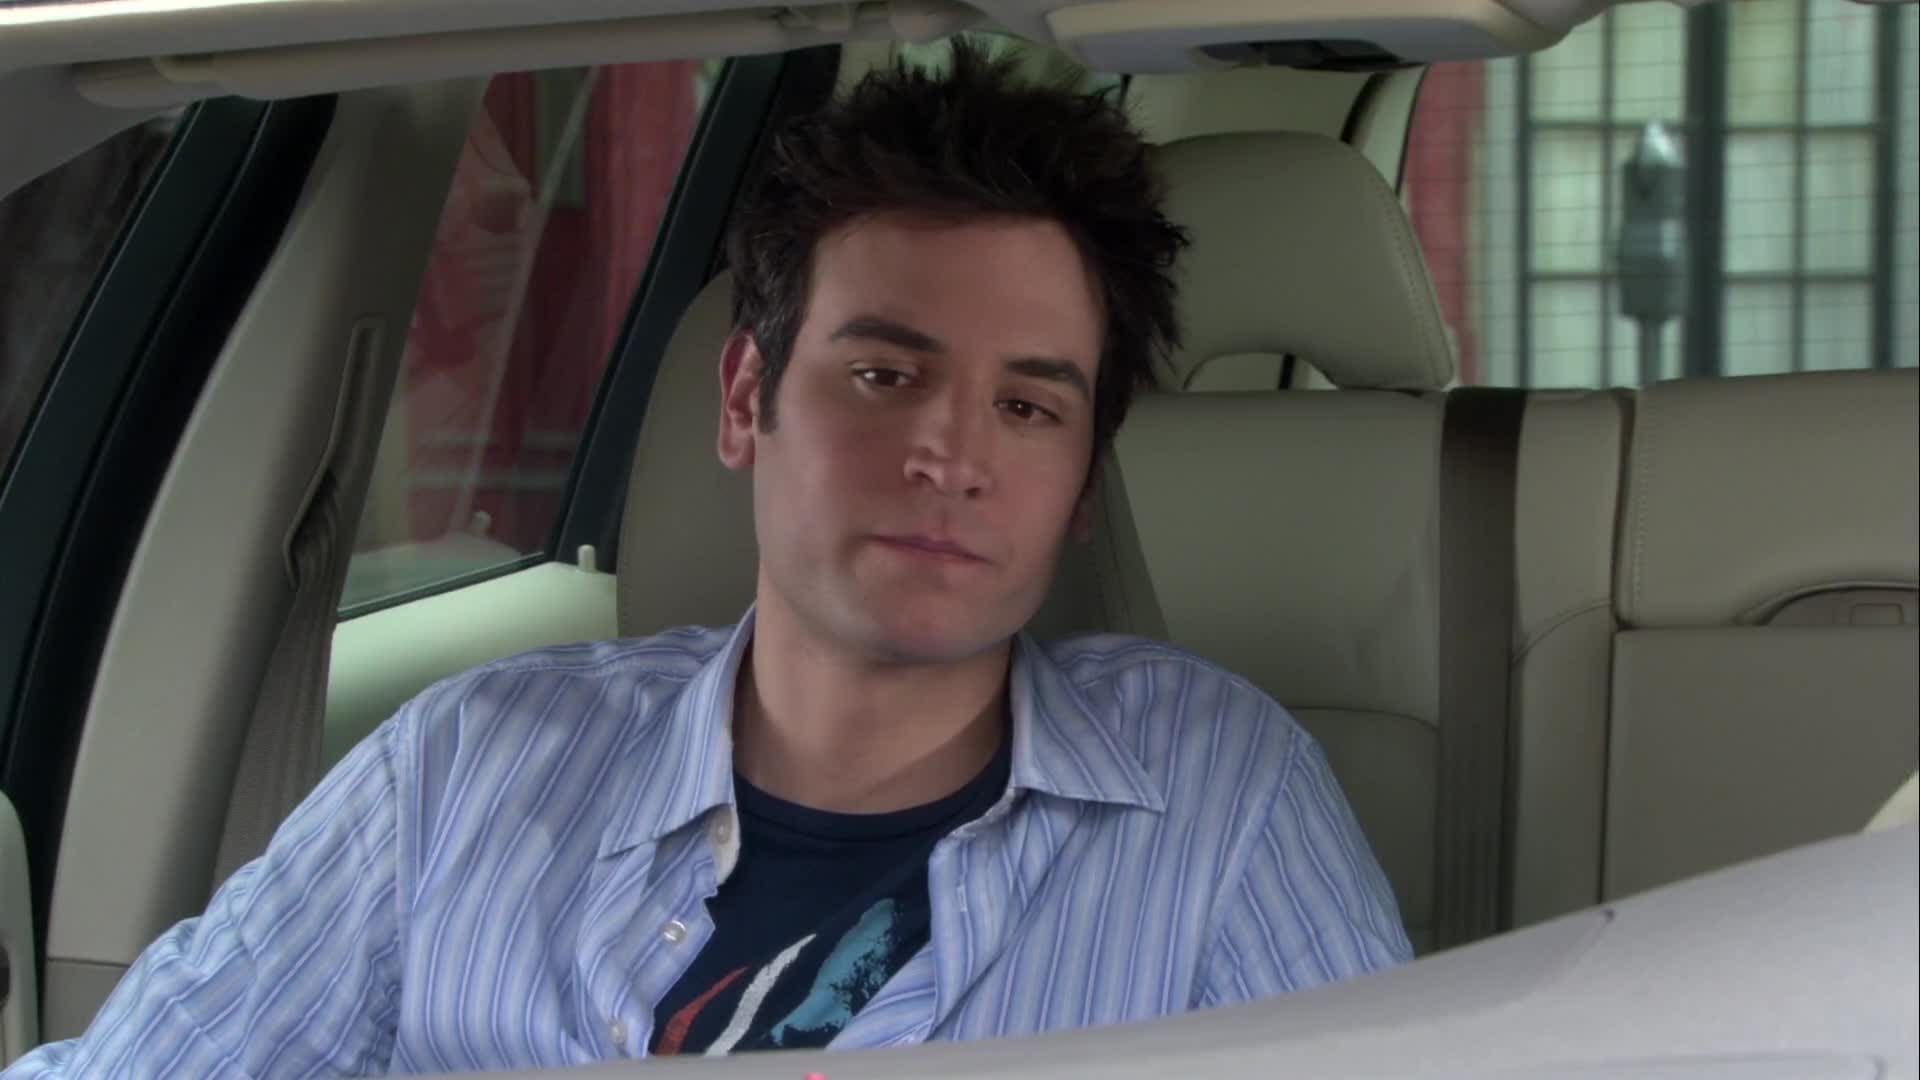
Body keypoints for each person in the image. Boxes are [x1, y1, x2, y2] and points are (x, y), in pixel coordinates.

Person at [3, 39, 1410, 1079]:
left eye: (1029, 407)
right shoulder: (463, 774)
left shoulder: (1219, 798)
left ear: (1084, 482)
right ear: (745, 400)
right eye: (885, 376)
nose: (951, 455)